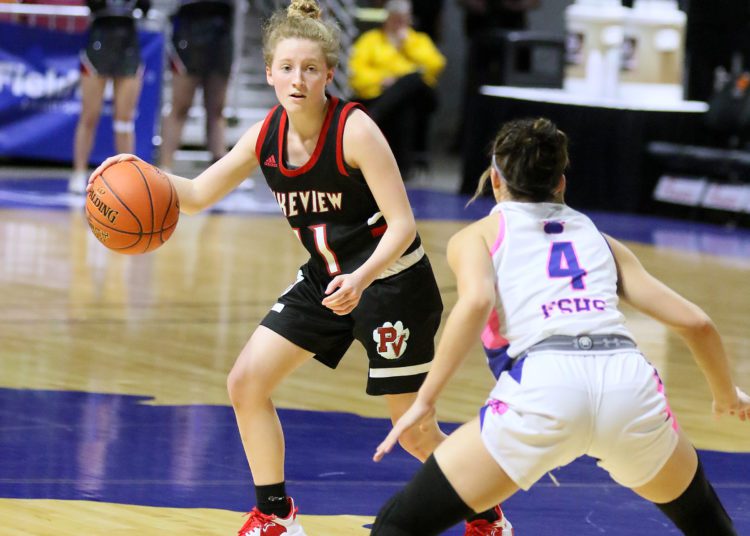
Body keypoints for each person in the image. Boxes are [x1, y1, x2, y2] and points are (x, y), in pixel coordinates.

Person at [86, 2, 511, 535]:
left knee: (413, 432)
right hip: (327, 279)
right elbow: (194, 194)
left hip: (390, 283)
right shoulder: (266, 135)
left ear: (329, 74)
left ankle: (488, 513)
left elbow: (403, 225)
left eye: (310, 68)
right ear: (269, 73)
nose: (298, 79)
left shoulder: (355, 130)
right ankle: (275, 516)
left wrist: (361, 279)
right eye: (286, 68)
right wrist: (128, 169)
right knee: (245, 382)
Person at [371, 117, 749, 535]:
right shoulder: (600, 239)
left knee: (398, 525)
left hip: (545, 386)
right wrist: (724, 394)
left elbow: (477, 302)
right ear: (561, 184)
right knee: (708, 524)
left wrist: (426, 399)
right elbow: (697, 323)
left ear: (496, 181)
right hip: (628, 383)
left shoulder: (478, 236)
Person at [348, 0, 446, 179]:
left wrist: (408, 44)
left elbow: (436, 65)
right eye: (396, 19)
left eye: (404, 20)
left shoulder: (418, 40)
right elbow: (356, 74)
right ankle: (401, 170)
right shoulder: (371, 40)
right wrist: (382, 80)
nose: (400, 24)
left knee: (412, 79)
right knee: (403, 108)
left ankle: (372, 116)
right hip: (380, 95)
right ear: (388, 19)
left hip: (421, 97)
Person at [69, 0, 150, 193]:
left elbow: (146, 7)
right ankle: (79, 172)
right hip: (100, 38)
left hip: (128, 42)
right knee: (89, 115)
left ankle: (128, 176)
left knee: (124, 120)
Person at [159, 0, 235, 173]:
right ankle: (165, 166)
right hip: (188, 29)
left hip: (221, 29)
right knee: (180, 105)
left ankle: (221, 167)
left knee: (216, 108)